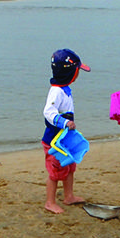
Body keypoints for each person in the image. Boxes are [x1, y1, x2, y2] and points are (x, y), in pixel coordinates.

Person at [42, 49, 87, 214]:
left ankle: (69, 196)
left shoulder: (65, 89)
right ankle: (49, 202)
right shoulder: (56, 91)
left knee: (70, 166)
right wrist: (65, 122)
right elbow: (48, 112)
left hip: (65, 138)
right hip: (53, 141)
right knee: (55, 171)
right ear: (70, 72)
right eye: (77, 72)